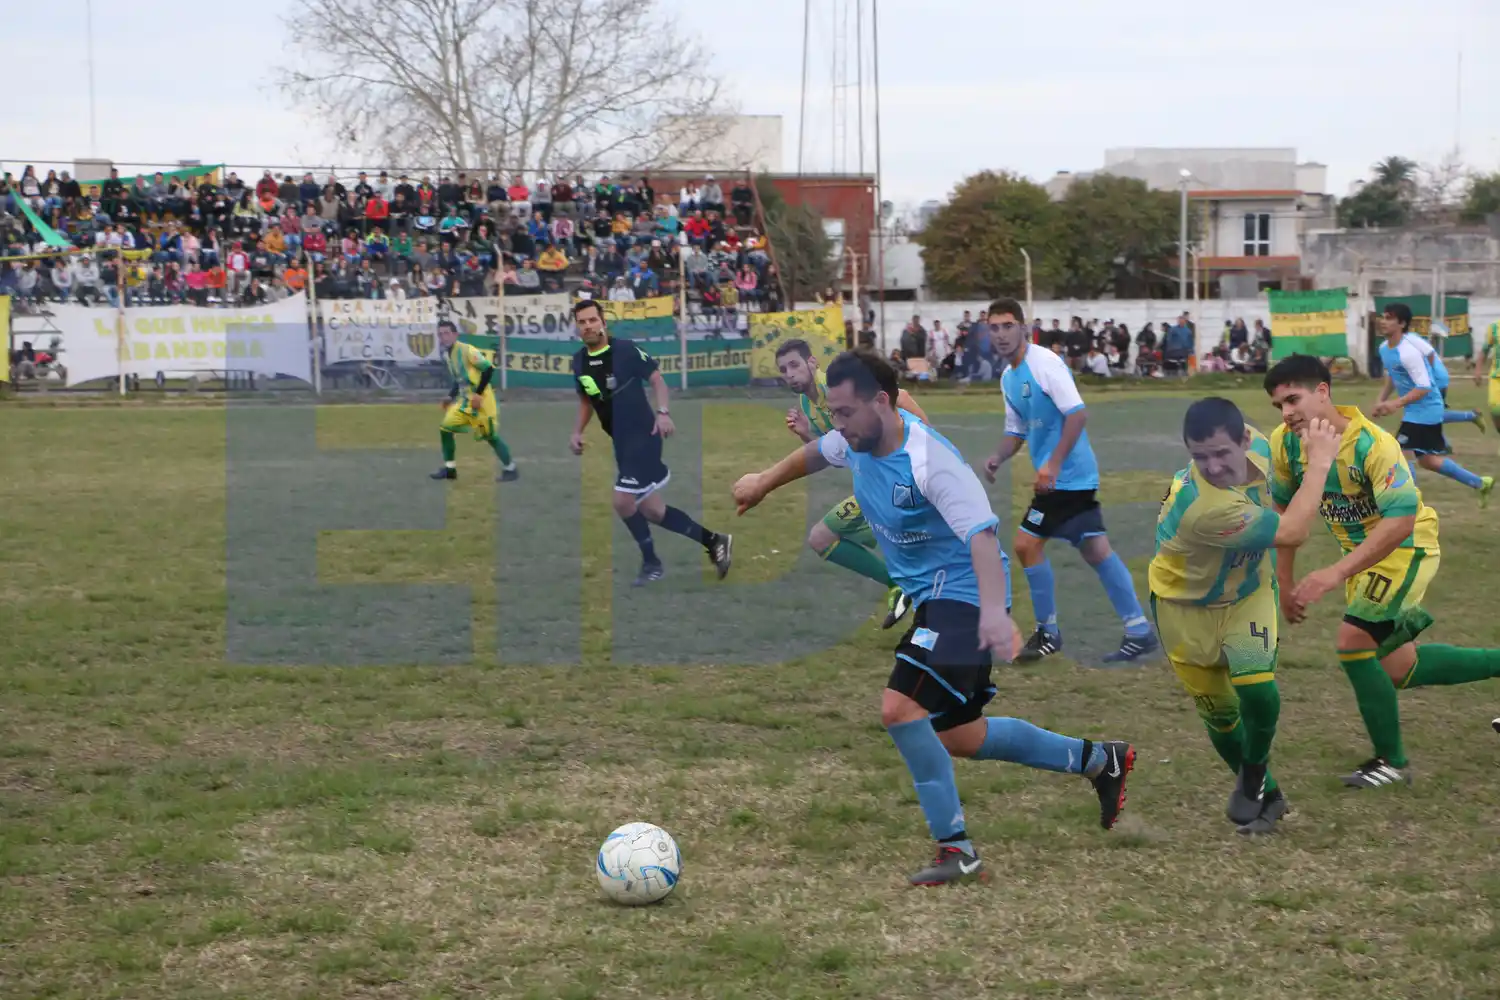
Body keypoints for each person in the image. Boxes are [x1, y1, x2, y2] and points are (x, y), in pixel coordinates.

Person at [732, 349, 1135, 886]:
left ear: (883, 401)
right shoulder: (855, 438)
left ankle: (957, 851)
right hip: (935, 598)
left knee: (901, 709)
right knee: (959, 735)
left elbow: (983, 537)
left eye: (847, 412)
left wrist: (993, 614)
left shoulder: (930, 460)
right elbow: (815, 454)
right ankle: (1098, 760)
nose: (839, 423)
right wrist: (762, 480)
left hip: (966, 595)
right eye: (836, 412)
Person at [1265, 354, 1500, 788]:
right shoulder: (1285, 443)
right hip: (1364, 556)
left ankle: (1391, 762)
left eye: (1293, 399)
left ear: (1322, 391)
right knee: (1397, 669)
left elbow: (1400, 523)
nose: (1287, 413)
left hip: (1407, 546)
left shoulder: (1373, 444)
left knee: (1353, 642)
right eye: (1279, 405)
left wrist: (1334, 573)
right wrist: (1284, 584)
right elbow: (1282, 515)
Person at [1150, 397, 1340, 835]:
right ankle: (1269, 795)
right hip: (1184, 611)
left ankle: (1253, 774)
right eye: (1199, 457)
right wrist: (1319, 464)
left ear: (1242, 439)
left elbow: (1289, 460)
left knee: (1257, 687)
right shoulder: (1203, 507)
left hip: (1247, 594)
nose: (1212, 466)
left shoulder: (1259, 442)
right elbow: (1292, 531)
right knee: (1220, 717)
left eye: (1221, 453)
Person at [981, 298, 1158, 664]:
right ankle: (1139, 630)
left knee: (1026, 545)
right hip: (1069, 478)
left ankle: (1048, 631)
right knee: (1096, 550)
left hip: (1067, 478)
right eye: (994, 328)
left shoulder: (1044, 363)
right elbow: (1016, 430)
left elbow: (1077, 414)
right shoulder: (1008, 378)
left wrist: (1053, 466)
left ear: (1023, 327)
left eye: (1007, 325)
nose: (1001, 334)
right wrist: (998, 456)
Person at [568, 298, 733, 586]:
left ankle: (652, 564)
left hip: (645, 436)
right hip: (621, 442)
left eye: (592, 320)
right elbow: (587, 401)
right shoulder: (579, 361)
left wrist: (663, 413)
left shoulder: (626, 350)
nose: (588, 326)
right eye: (582, 322)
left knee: (622, 500)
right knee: (653, 511)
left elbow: (657, 380)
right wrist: (577, 431)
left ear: (603, 322)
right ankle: (715, 541)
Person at [775, 337, 925, 629]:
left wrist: (931, 444)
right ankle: (909, 591)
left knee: (823, 537)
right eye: (783, 369)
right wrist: (807, 435)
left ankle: (920, 599)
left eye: (794, 365)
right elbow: (837, 452)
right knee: (824, 538)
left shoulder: (836, 386)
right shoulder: (807, 403)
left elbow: (900, 396)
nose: (789, 373)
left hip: (897, 480)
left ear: (812, 362)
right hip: (874, 486)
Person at [1370, 303, 1492, 506]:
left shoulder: (1409, 351)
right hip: (1416, 410)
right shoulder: (1384, 349)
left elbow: (1424, 387)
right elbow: (1393, 375)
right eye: (1383, 316)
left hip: (1427, 409)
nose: (1383, 321)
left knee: (1400, 452)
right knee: (1428, 461)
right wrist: (1381, 400)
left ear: (1401, 324)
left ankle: (1410, 508)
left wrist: (1395, 404)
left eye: (1390, 318)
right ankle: (1480, 483)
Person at [429, 319, 519, 482]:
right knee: (446, 429)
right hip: (465, 402)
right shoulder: (447, 355)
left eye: (447, 333)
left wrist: (478, 394)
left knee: (491, 437)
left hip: (482, 402)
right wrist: (450, 395)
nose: (444, 337)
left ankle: (510, 469)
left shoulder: (466, 350)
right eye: (440, 334)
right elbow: (459, 379)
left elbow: (488, 369)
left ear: (455, 335)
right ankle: (450, 469)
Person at [1476, 316, 1500, 444]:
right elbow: (1484, 350)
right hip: (1497, 377)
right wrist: (1478, 370)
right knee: (1496, 410)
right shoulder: (1495, 327)